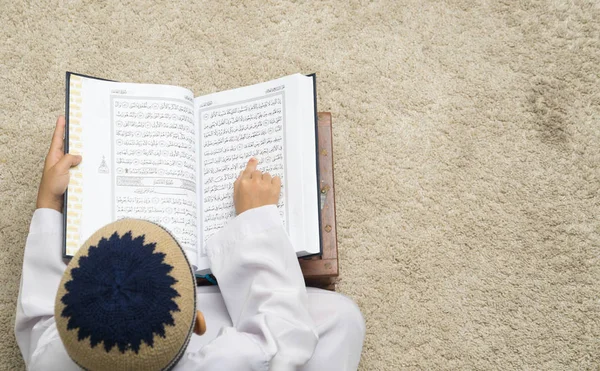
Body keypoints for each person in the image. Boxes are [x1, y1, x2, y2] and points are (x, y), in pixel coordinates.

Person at [15, 116, 365, 370]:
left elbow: (38, 321)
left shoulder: (54, 356)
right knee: (343, 318)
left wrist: (49, 201)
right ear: (199, 323)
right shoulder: (230, 360)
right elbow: (282, 339)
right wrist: (255, 221)